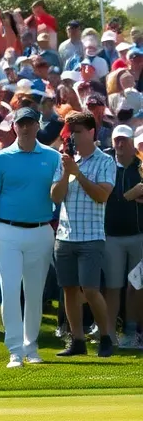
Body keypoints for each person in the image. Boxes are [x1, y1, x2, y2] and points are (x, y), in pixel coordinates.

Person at [0, 107, 61, 368]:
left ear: (38, 126)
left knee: (35, 292)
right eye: (21, 123)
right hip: (8, 231)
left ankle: (32, 346)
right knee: (11, 290)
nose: (25, 128)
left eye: (30, 123)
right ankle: (15, 349)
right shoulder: (1, 158)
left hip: (41, 230)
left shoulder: (52, 157)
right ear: (14, 126)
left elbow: (59, 195)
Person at [51, 111, 117, 358]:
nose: (74, 137)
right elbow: (55, 197)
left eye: (78, 132)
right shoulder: (65, 161)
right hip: (65, 236)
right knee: (68, 290)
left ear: (91, 132)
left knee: (89, 290)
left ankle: (105, 337)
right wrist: (68, 173)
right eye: (71, 133)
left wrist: (77, 173)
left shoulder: (105, 161)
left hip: (91, 236)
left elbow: (102, 196)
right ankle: (77, 341)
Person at [105, 125, 143, 350]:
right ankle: (109, 334)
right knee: (112, 286)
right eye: (117, 141)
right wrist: (130, 195)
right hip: (111, 237)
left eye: (124, 141)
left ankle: (131, 332)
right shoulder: (107, 165)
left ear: (131, 144)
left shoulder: (140, 167)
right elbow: (110, 199)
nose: (120, 145)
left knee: (135, 286)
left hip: (138, 236)